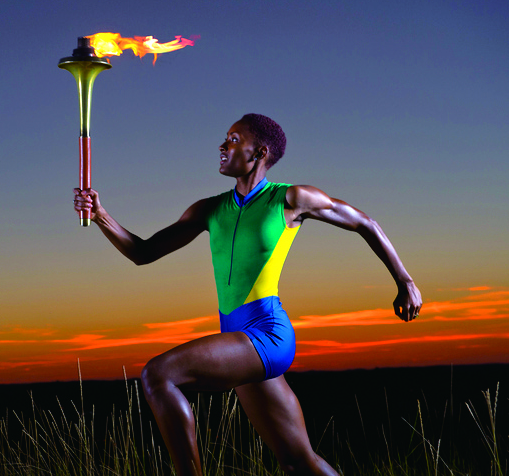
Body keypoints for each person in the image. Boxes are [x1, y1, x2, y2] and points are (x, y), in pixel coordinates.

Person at [72, 113, 422, 476]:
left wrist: (405, 281)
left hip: (269, 334)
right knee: (298, 462)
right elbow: (143, 252)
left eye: (234, 140)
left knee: (158, 375)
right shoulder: (209, 210)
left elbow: (366, 223)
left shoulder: (289, 199)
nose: (223, 146)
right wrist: (100, 215)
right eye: (225, 139)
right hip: (238, 341)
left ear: (260, 152)